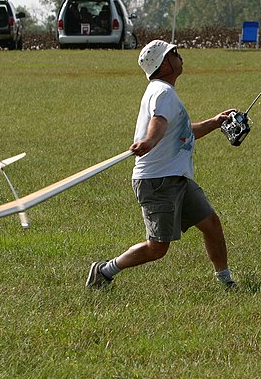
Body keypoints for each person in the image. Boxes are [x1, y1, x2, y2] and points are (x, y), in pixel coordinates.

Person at [86, 39, 237, 289]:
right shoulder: (163, 92)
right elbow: (159, 122)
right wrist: (150, 140)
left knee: (211, 223)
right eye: (174, 53)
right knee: (157, 248)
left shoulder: (164, 92)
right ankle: (104, 270)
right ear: (164, 64)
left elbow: (183, 132)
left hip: (176, 178)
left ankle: (225, 281)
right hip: (157, 182)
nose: (179, 56)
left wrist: (215, 121)